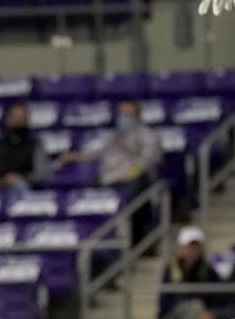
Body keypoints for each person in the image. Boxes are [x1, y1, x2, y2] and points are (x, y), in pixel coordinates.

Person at [62, 100, 162, 243]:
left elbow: (149, 160)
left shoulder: (147, 134)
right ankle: (94, 238)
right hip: (108, 178)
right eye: (121, 113)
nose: (123, 117)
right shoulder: (114, 135)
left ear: (137, 115)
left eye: (127, 114)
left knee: (129, 196)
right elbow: (98, 153)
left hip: (132, 178)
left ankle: (134, 239)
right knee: (84, 198)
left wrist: (132, 173)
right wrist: (77, 156)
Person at [159, 226, 222, 319]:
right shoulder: (171, 271)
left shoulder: (208, 271)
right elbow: (165, 303)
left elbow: (218, 296)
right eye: (189, 246)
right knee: (195, 307)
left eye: (196, 247)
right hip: (172, 317)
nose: (192, 251)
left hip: (203, 317)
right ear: (180, 249)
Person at [0, 103, 51, 190]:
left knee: (19, 186)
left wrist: (21, 177)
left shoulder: (35, 145)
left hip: (19, 185)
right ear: (8, 119)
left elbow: (42, 174)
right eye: (15, 117)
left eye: (21, 118)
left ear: (27, 121)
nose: (18, 121)